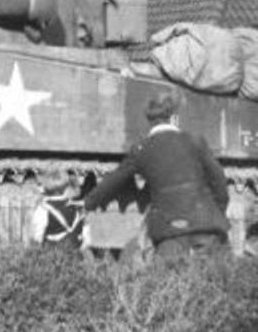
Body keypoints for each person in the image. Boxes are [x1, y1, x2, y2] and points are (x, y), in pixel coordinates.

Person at [82, 89, 230, 258]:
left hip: (170, 233)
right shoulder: (196, 141)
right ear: (174, 118)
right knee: (218, 279)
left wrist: (87, 204)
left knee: (169, 280)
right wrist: (217, 213)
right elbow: (219, 181)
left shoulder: (141, 149)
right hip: (208, 229)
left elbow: (113, 182)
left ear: (150, 121)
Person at [30, 171, 85, 249]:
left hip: (52, 250)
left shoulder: (43, 208)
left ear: (45, 188)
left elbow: (38, 233)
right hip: (74, 247)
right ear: (66, 187)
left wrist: (36, 248)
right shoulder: (73, 205)